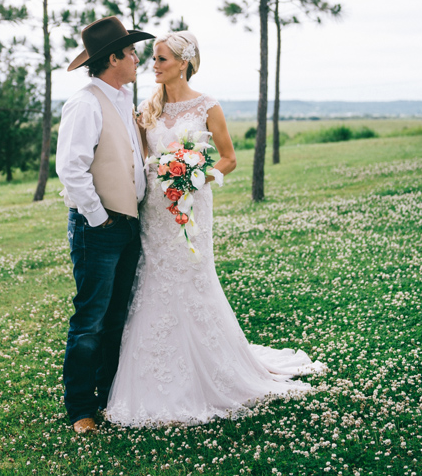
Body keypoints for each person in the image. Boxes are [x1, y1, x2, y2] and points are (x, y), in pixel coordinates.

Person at [105, 31, 326, 428]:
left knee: (192, 277)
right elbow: (141, 158)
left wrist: (194, 177)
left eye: (161, 59)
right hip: (155, 209)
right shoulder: (147, 109)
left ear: (184, 63)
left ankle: (214, 368)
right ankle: (152, 372)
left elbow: (228, 159)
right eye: (153, 59)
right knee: (153, 280)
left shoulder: (208, 106)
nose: (153, 65)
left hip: (192, 206)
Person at [56, 16, 155, 434]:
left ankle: (108, 395)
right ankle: (80, 409)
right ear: (113, 58)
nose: (137, 59)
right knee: (91, 319)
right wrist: (99, 218)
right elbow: (71, 170)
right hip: (99, 228)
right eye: (131, 53)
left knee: (116, 317)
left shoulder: (122, 98)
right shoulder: (85, 103)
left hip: (128, 223)